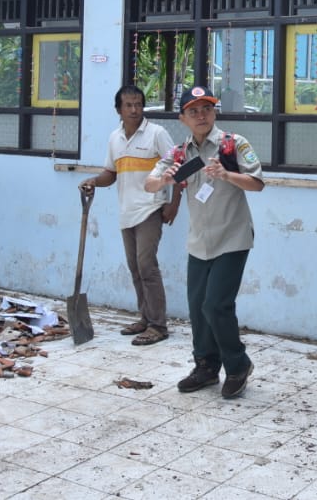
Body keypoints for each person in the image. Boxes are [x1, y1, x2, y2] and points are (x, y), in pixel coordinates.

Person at [146, 85, 265, 399]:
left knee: (216, 305)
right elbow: (149, 183)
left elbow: (256, 183)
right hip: (199, 241)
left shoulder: (233, 144)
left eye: (207, 109)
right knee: (198, 308)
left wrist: (227, 175)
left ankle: (238, 364)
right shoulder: (179, 152)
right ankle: (206, 367)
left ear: (215, 112)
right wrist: (165, 179)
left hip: (233, 237)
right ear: (182, 117)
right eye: (193, 111)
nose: (201, 116)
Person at [79, 85, 181, 346]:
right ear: (119, 110)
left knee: (147, 266)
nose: (135, 109)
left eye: (138, 104)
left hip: (151, 208)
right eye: (129, 105)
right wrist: (93, 181)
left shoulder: (157, 134)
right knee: (135, 268)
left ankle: (158, 325)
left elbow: (179, 168)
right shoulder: (115, 138)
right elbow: (110, 174)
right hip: (127, 211)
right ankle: (145, 318)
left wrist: (173, 204)